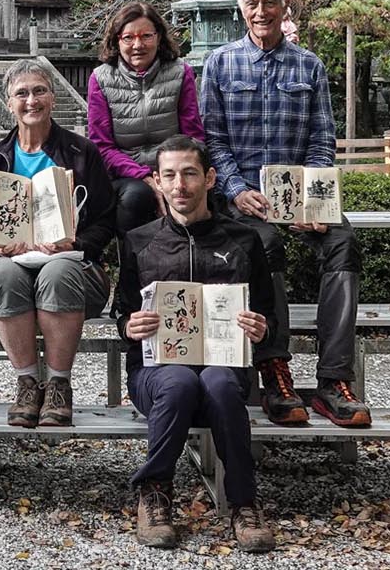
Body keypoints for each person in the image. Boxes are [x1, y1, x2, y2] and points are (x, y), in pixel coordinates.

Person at [201, 0, 371, 428]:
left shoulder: (309, 65)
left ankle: (334, 379)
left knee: (343, 243)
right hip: (245, 201)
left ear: (284, 7)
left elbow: (321, 141)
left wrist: (312, 205)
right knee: (264, 245)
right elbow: (211, 140)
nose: (261, 11)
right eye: (252, 3)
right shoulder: (220, 64)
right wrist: (236, 190)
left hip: (298, 196)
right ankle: (274, 367)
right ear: (241, 9)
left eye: (269, 2)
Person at [115, 136, 275, 553]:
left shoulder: (243, 240)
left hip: (227, 367)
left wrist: (261, 328)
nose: (180, 185)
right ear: (157, 182)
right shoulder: (138, 241)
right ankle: (155, 494)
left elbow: (270, 315)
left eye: (189, 173)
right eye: (169, 175)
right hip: (157, 373)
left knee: (220, 385)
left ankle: (244, 503)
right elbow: (122, 314)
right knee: (179, 383)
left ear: (210, 178)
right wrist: (129, 325)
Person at [0, 59, 115, 428]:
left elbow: (105, 219)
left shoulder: (82, 152)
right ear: (8, 102)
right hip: (16, 265)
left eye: (39, 90)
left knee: (58, 270)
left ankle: (57, 385)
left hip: (72, 266)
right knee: (1, 273)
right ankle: (26, 383)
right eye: (22, 93)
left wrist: (77, 242)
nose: (31, 100)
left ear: (52, 96)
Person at [86, 0, 204, 236]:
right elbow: (102, 146)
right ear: (117, 40)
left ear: (158, 37)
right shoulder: (101, 79)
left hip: (173, 166)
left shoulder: (180, 72)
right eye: (128, 38)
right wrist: (145, 177)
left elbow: (193, 136)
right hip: (127, 173)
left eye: (146, 36)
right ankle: (132, 268)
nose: (137, 45)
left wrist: (173, 176)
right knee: (137, 196)